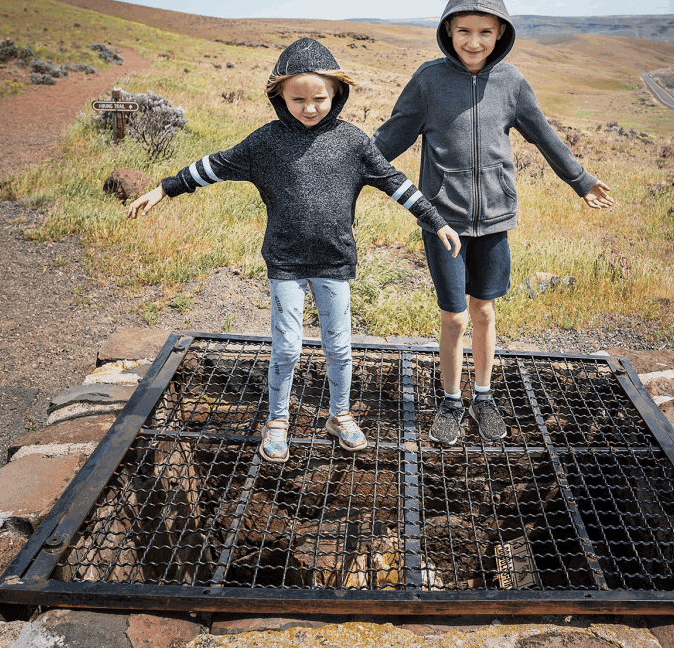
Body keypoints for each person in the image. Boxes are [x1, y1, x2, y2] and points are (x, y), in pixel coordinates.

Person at [128, 37, 461, 463]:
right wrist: (162, 189)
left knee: (339, 346)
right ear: (279, 96)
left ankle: (339, 415)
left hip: (334, 261)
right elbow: (214, 165)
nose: (309, 107)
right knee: (287, 346)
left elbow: (395, 181)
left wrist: (436, 221)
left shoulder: (353, 143)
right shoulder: (263, 144)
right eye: (297, 98)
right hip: (285, 263)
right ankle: (278, 420)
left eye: (319, 98)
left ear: (336, 94)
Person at [374, 0, 614, 447]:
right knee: (455, 317)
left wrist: (580, 180)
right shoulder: (428, 80)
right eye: (463, 31)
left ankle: (483, 396)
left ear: (500, 33)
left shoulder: (511, 83)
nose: (474, 41)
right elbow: (389, 139)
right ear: (448, 30)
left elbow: (544, 135)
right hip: (443, 221)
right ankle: (450, 400)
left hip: (497, 219)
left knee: (484, 312)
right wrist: (347, 168)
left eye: (485, 32)